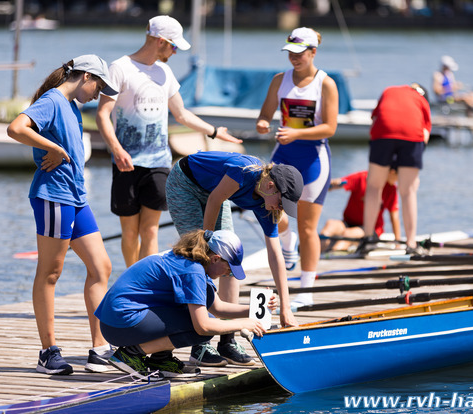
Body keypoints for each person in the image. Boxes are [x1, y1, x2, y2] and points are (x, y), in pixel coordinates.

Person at [96, 15, 241, 269]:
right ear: (160, 41)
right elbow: (102, 114)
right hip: (125, 162)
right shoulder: (119, 68)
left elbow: (182, 114)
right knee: (130, 232)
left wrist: (215, 132)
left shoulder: (165, 72)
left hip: (159, 162)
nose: (175, 52)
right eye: (173, 46)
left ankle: (147, 285)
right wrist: (116, 149)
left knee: (150, 230)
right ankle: (132, 279)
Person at [6, 55, 118, 375]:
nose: (99, 93)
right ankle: (48, 352)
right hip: (53, 198)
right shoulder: (53, 100)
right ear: (85, 76)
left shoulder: (72, 106)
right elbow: (16, 128)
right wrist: (52, 149)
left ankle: (99, 349)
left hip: (76, 198)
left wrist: (56, 149)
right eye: (99, 85)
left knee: (101, 266)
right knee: (51, 272)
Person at [165, 151, 302, 366]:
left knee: (231, 260)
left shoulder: (267, 206)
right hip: (185, 184)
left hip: (216, 192)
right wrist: (206, 246)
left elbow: (275, 254)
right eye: (282, 202)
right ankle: (200, 345)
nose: (280, 209)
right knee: (199, 260)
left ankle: (227, 341)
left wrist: (286, 307)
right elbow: (214, 200)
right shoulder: (243, 169)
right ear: (270, 186)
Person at [95, 229, 273, 380]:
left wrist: (255, 310)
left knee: (201, 316)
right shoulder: (192, 271)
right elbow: (203, 326)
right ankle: (131, 354)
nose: (228, 274)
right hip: (120, 323)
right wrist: (244, 324)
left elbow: (217, 307)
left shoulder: (195, 262)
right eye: (228, 268)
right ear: (215, 259)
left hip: (116, 319)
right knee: (201, 330)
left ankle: (161, 360)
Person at [256, 27, 339, 308]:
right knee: (272, 209)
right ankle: (287, 240)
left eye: (299, 53)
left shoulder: (326, 84)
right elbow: (265, 114)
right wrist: (263, 123)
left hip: (313, 159)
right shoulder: (280, 80)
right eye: (289, 52)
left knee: (308, 227)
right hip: (283, 154)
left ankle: (305, 292)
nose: (293, 58)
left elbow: (330, 127)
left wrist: (296, 134)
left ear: (313, 52)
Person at [363, 83, 431, 255]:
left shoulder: (390, 90)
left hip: (383, 132)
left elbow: (375, 120)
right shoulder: (422, 101)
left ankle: (368, 239)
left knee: (374, 186)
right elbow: (424, 135)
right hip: (412, 134)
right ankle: (411, 243)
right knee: (408, 191)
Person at [320, 169, 400, 253]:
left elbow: (394, 217)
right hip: (348, 222)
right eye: (399, 177)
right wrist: (331, 184)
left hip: (370, 229)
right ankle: (315, 252)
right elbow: (340, 183)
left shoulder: (391, 189)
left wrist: (397, 243)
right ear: (392, 172)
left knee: (348, 234)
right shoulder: (361, 177)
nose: (399, 180)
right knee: (330, 224)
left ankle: (333, 257)